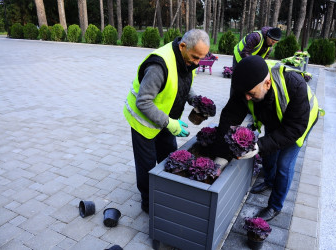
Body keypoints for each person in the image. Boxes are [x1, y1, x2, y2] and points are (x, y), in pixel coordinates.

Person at [212, 55, 319, 221]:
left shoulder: (293, 85)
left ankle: (275, 206)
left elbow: (293, 129)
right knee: (268, 153)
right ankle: (269, 181)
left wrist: (258, 146)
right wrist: (221, 156)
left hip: (299, 122)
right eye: (245, 94)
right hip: (274, 115)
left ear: (267, 83)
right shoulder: (249, 83)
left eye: (251, 94)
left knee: (284, 164)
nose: (247, 97)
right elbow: (229, 118)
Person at [123, 29, 211, 214]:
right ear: (182, 46)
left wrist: (196, 100)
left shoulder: (187, 60)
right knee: (147, 166)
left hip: (165, 121)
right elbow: (143, 102)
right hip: (144, 123)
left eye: (201, 59)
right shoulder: (159, 66)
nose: (197, 63)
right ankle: (148, 204)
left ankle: (166, 192)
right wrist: (170, 123)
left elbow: (183, 84)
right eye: (195, 57)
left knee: (170, 157)